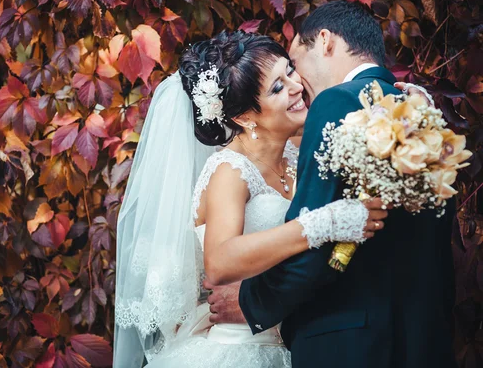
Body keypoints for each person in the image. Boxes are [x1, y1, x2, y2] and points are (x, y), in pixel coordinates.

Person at [113, 30, 389, 368]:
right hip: (240, 350)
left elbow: (358, 126)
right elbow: (220, 260)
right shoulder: (229, 170)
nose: (295, 87)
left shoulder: (298, 149)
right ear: (244, 117)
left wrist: (400, 100)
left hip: (299, 339)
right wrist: (323, 223)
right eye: (277, 88)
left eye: (290, 70)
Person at [237, 1, 457, 368]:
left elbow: (313, 246)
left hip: (348, 345)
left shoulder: (337, 101)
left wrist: (248, 302)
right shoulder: (423, 112)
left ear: (324, 41)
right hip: (424, 339)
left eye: (295, 63)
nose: (296, 82)